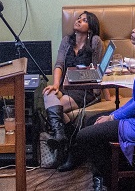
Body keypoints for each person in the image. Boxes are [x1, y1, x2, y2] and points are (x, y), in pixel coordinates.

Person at [59, 13, 135, 191]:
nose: (134, 30)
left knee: (84, 136)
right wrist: (112, 116)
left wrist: (112, 117)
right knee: (90, 122)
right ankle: (106, 178)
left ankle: (111, 181)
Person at [42, 11, 104, 151]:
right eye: (78, 18)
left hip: (86, 90)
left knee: (59, 107)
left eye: (84, 20)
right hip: (66, 87)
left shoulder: (95, 41)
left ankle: (64, 141)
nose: (79, 21)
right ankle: (67, 140)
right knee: (48, 94)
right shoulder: (66, 41)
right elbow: (59, 64)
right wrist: (56, 85)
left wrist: (105, 95)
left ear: (91, 27)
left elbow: (99, 69)